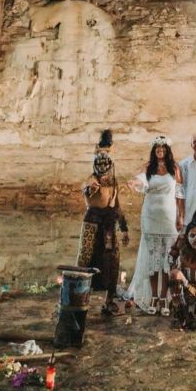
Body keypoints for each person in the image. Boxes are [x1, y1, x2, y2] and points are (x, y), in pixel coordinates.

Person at [125, 135, 184, 315]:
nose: (160, 150)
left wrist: (180, 216)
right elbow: (141, 179)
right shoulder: (148, 167)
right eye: (157, 148)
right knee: (152, 259)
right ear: (154, 150)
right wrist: (133, 182)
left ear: (167, 150)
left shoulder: (174, 168)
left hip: (168, 218)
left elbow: (180, 194)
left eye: (163, 147)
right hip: (150, 216)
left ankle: (165, 297)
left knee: (167, 259)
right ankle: (153, 297)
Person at [77, 129, 130, 316]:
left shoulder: (113, 182)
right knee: (85, 260)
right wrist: (91, 188)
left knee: (112, 262)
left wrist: (124, 228)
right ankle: (80, 299)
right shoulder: (92, 179)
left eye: (106, 164)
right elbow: (87, 188)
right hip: (92, 224)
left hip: (108, 226)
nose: (103, 167)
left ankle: (109, 301)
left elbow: (117, 206)